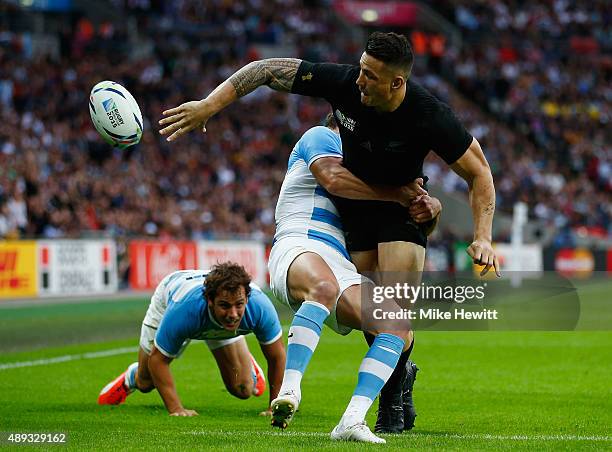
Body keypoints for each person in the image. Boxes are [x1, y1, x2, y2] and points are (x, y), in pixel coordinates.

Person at [158, 31, 500, 432]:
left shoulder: (429, 115)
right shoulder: (344, 86)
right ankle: (399, 377)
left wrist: (483, 235)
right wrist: (208, 106)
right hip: (358, 213)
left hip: (399, 213)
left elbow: (479, 172)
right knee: (378, 324)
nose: (360, 80)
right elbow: (267, 70)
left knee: (393, 308)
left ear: (397, 82)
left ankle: (391, 401)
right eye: (361, 69)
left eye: (371, 75)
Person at [264, 116, 437, 443]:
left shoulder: (366, 168)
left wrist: (430, 206)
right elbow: (332, 180)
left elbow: (410, 209)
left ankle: (352, 420)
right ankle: (289, 390)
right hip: (300, 242)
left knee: (396, 325)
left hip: (340, 263)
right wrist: (397, 194)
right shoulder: (321, 136)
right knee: (323, 288)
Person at [97, 263, 285, 417]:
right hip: (172, 299)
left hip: (213, 321)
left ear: (247, 299)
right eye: (224, 306)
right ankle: (133, 376)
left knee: (243, 389)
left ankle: (247, 364)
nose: (233, 314)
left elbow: (277, 357)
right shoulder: (183, 311)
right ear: (210, 301)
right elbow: (159, 360)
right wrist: (176, 409)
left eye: (239, 305)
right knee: (146, 382)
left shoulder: (260, 307)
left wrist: (274, 407)